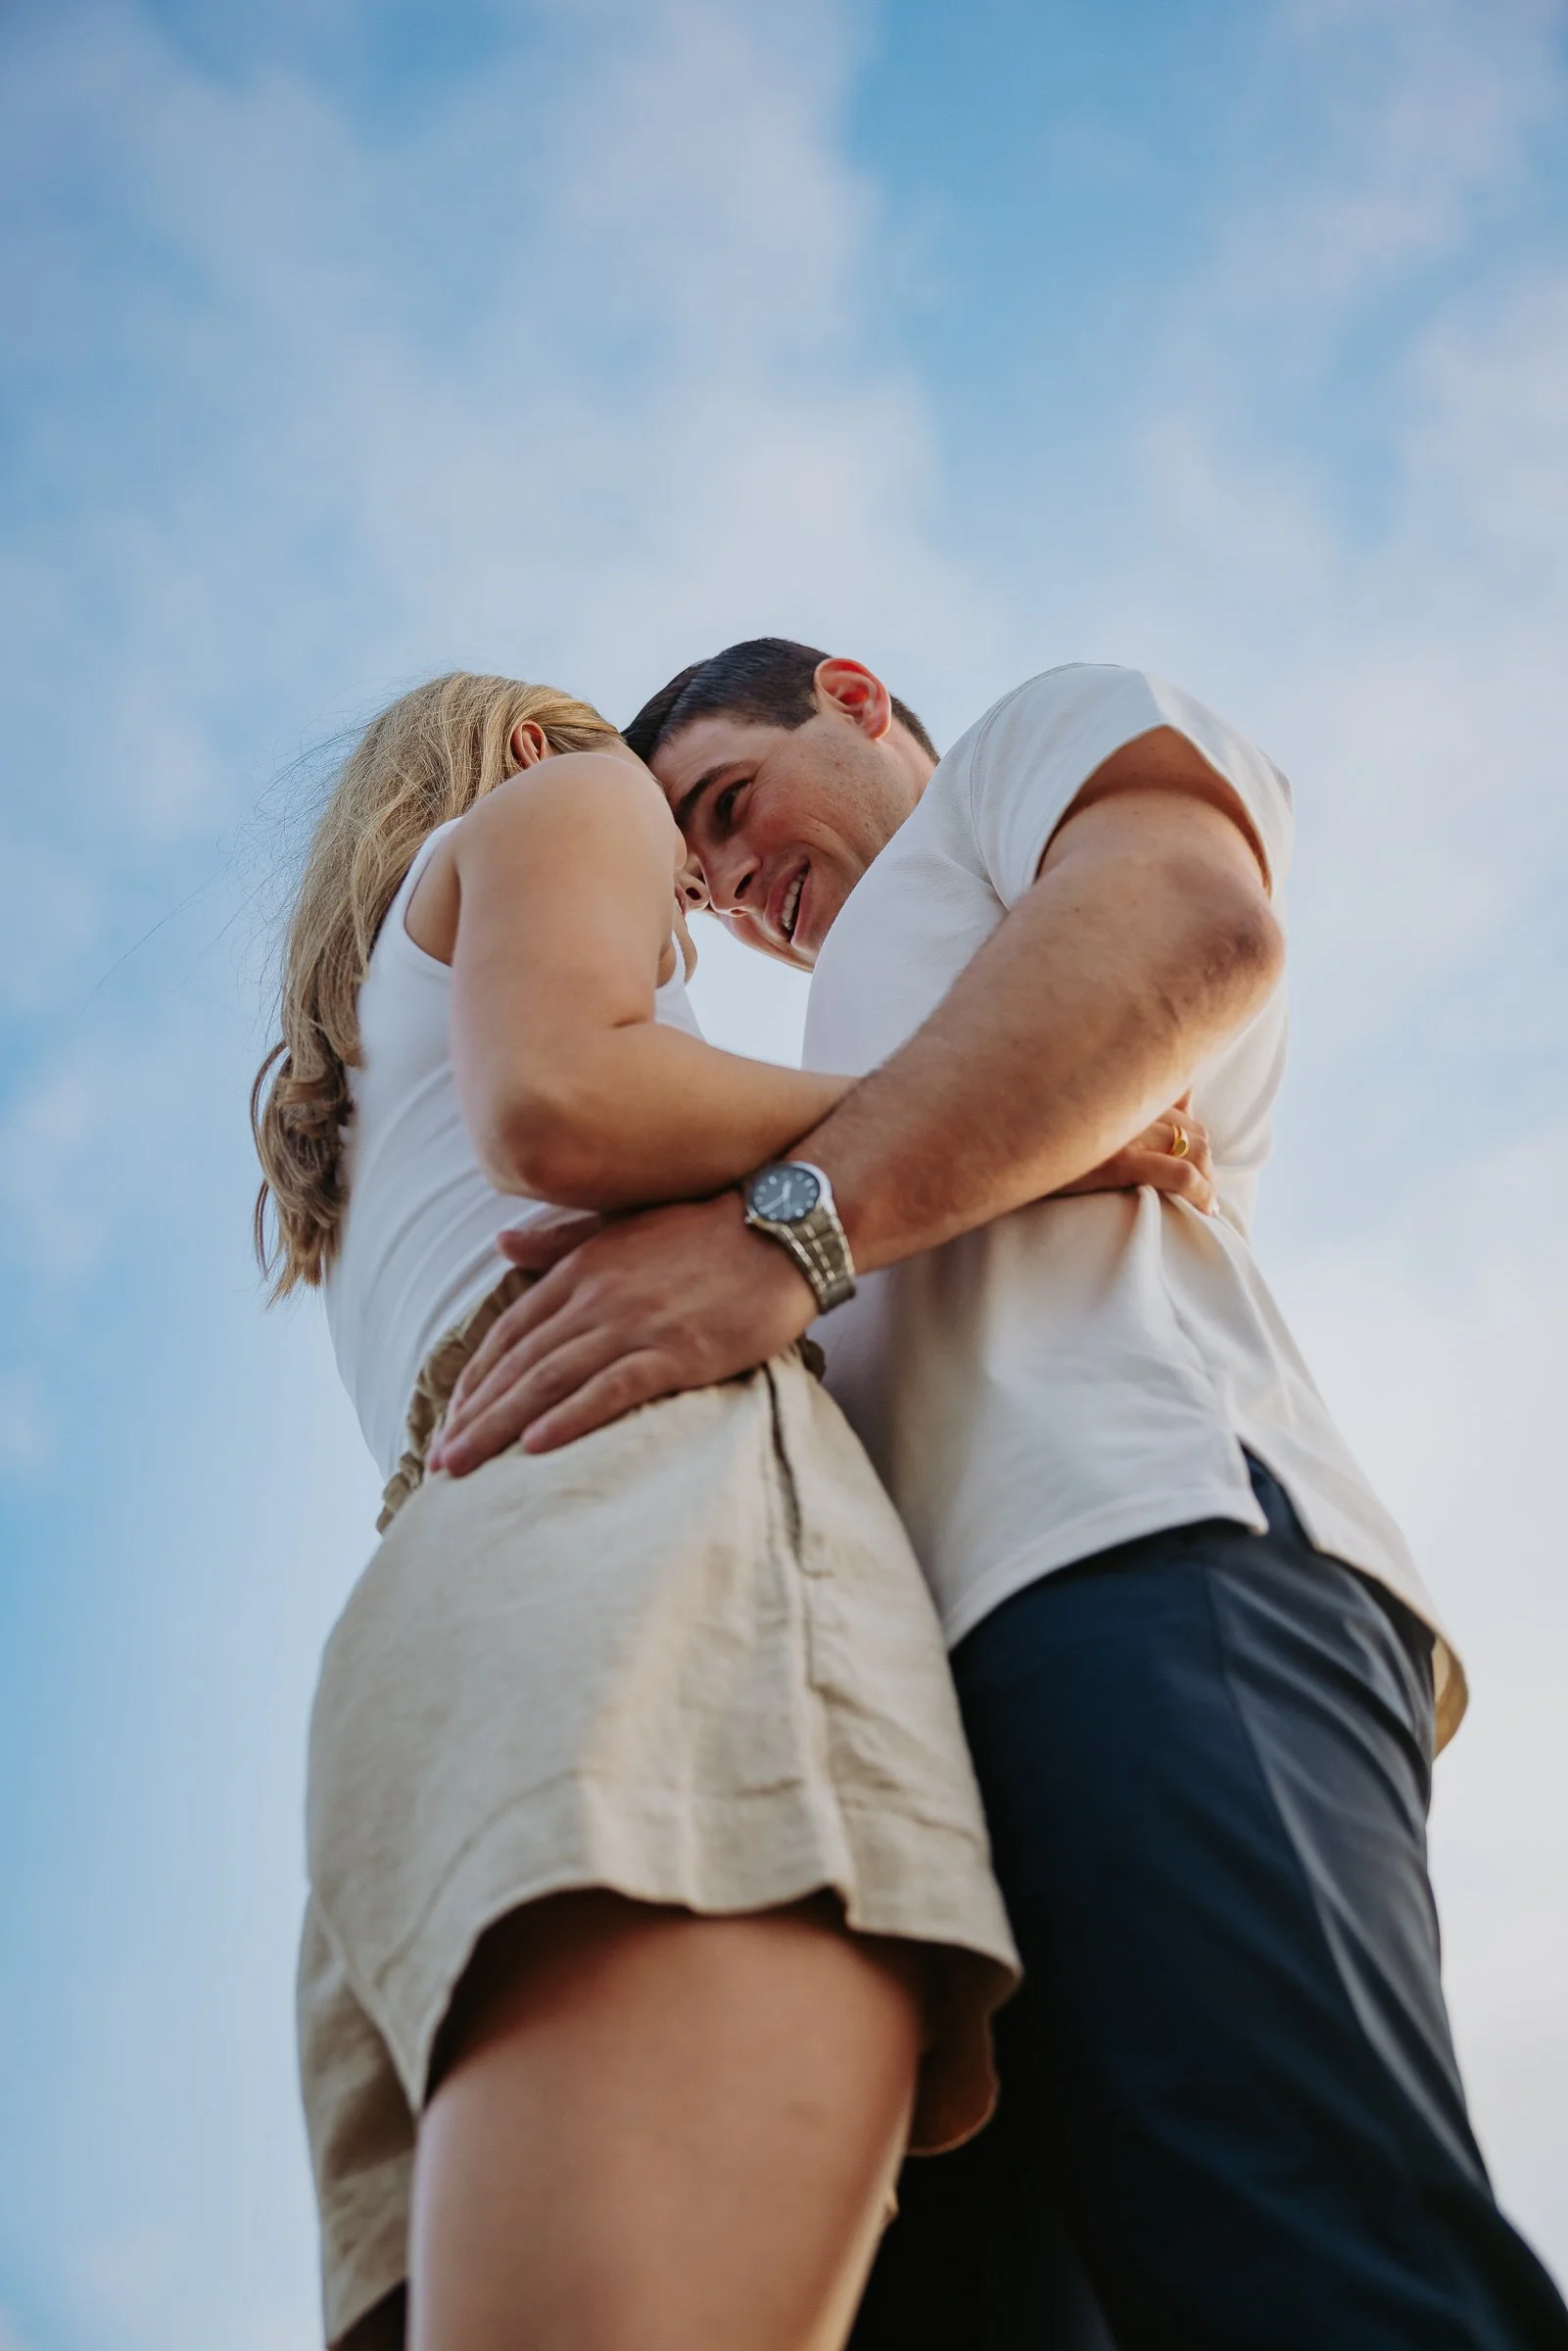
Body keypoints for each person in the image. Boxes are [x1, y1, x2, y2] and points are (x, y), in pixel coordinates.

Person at [432, 642, 1568, 2350]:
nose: (735, 886)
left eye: (732, 806)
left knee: (1300, 2259)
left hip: (1143, 1546)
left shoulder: (1033, 746)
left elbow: (1193, 934)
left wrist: (776, 1242)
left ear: (857, 693)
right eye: (699, 882)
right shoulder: (832, 1070)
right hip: (898, 1746)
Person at [254, 670, 1203, 2351]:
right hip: (639, 1534)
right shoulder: (565, 793)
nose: (689, 893)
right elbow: (568, 1098)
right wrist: (1019, 1121)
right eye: (683, 842)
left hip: (446, 1621)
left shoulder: (365, 1102)